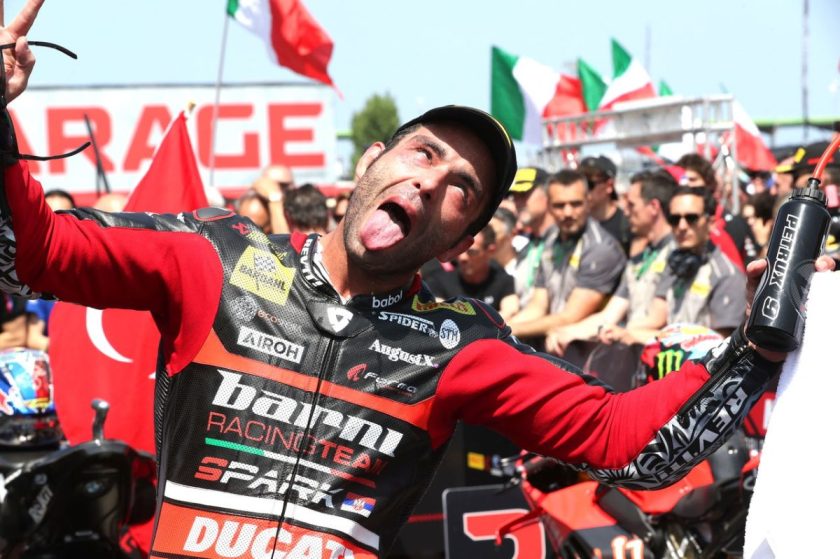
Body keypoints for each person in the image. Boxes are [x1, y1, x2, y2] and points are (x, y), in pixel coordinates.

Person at [0, 6, 832, 555]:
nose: (431, 182)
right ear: (371, 161)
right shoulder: (212, 256)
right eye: (423, 153)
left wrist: (758, 344)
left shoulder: (460, 344)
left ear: (461, 236)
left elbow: (629, 443)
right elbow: (34, 251)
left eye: (461, 188)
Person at [546, 170, 677, 355]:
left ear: (654, 207)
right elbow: (610, 315)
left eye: (631, 205)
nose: (625, 211)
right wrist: (566, 332)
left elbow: (656, 320)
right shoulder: (642, 257)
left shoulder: (677, 254)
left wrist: (619, 331)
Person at [509, 169, 626, 346]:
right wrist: (503, 327)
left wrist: (511, 330)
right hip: (554, 343)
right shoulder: (550, 240)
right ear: (548, 205)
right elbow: (538, 305)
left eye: (576, 204)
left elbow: (571, 316)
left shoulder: (600, 248)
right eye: (559, 205)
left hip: (588, 348)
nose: (568, 212)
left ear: (588, 202)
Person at [426, 223, 519, 320]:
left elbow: (511, 311)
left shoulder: (503, 281)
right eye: (460, 251)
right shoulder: (438, 282)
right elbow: (439, 315)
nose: (462, 257)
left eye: (472, 252)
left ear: (490, 251)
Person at [579, 155, 631, 254]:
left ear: (609, 186)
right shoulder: (576, 224)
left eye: (589, 184)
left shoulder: (627, 226)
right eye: (581, 183)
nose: (584, 190)